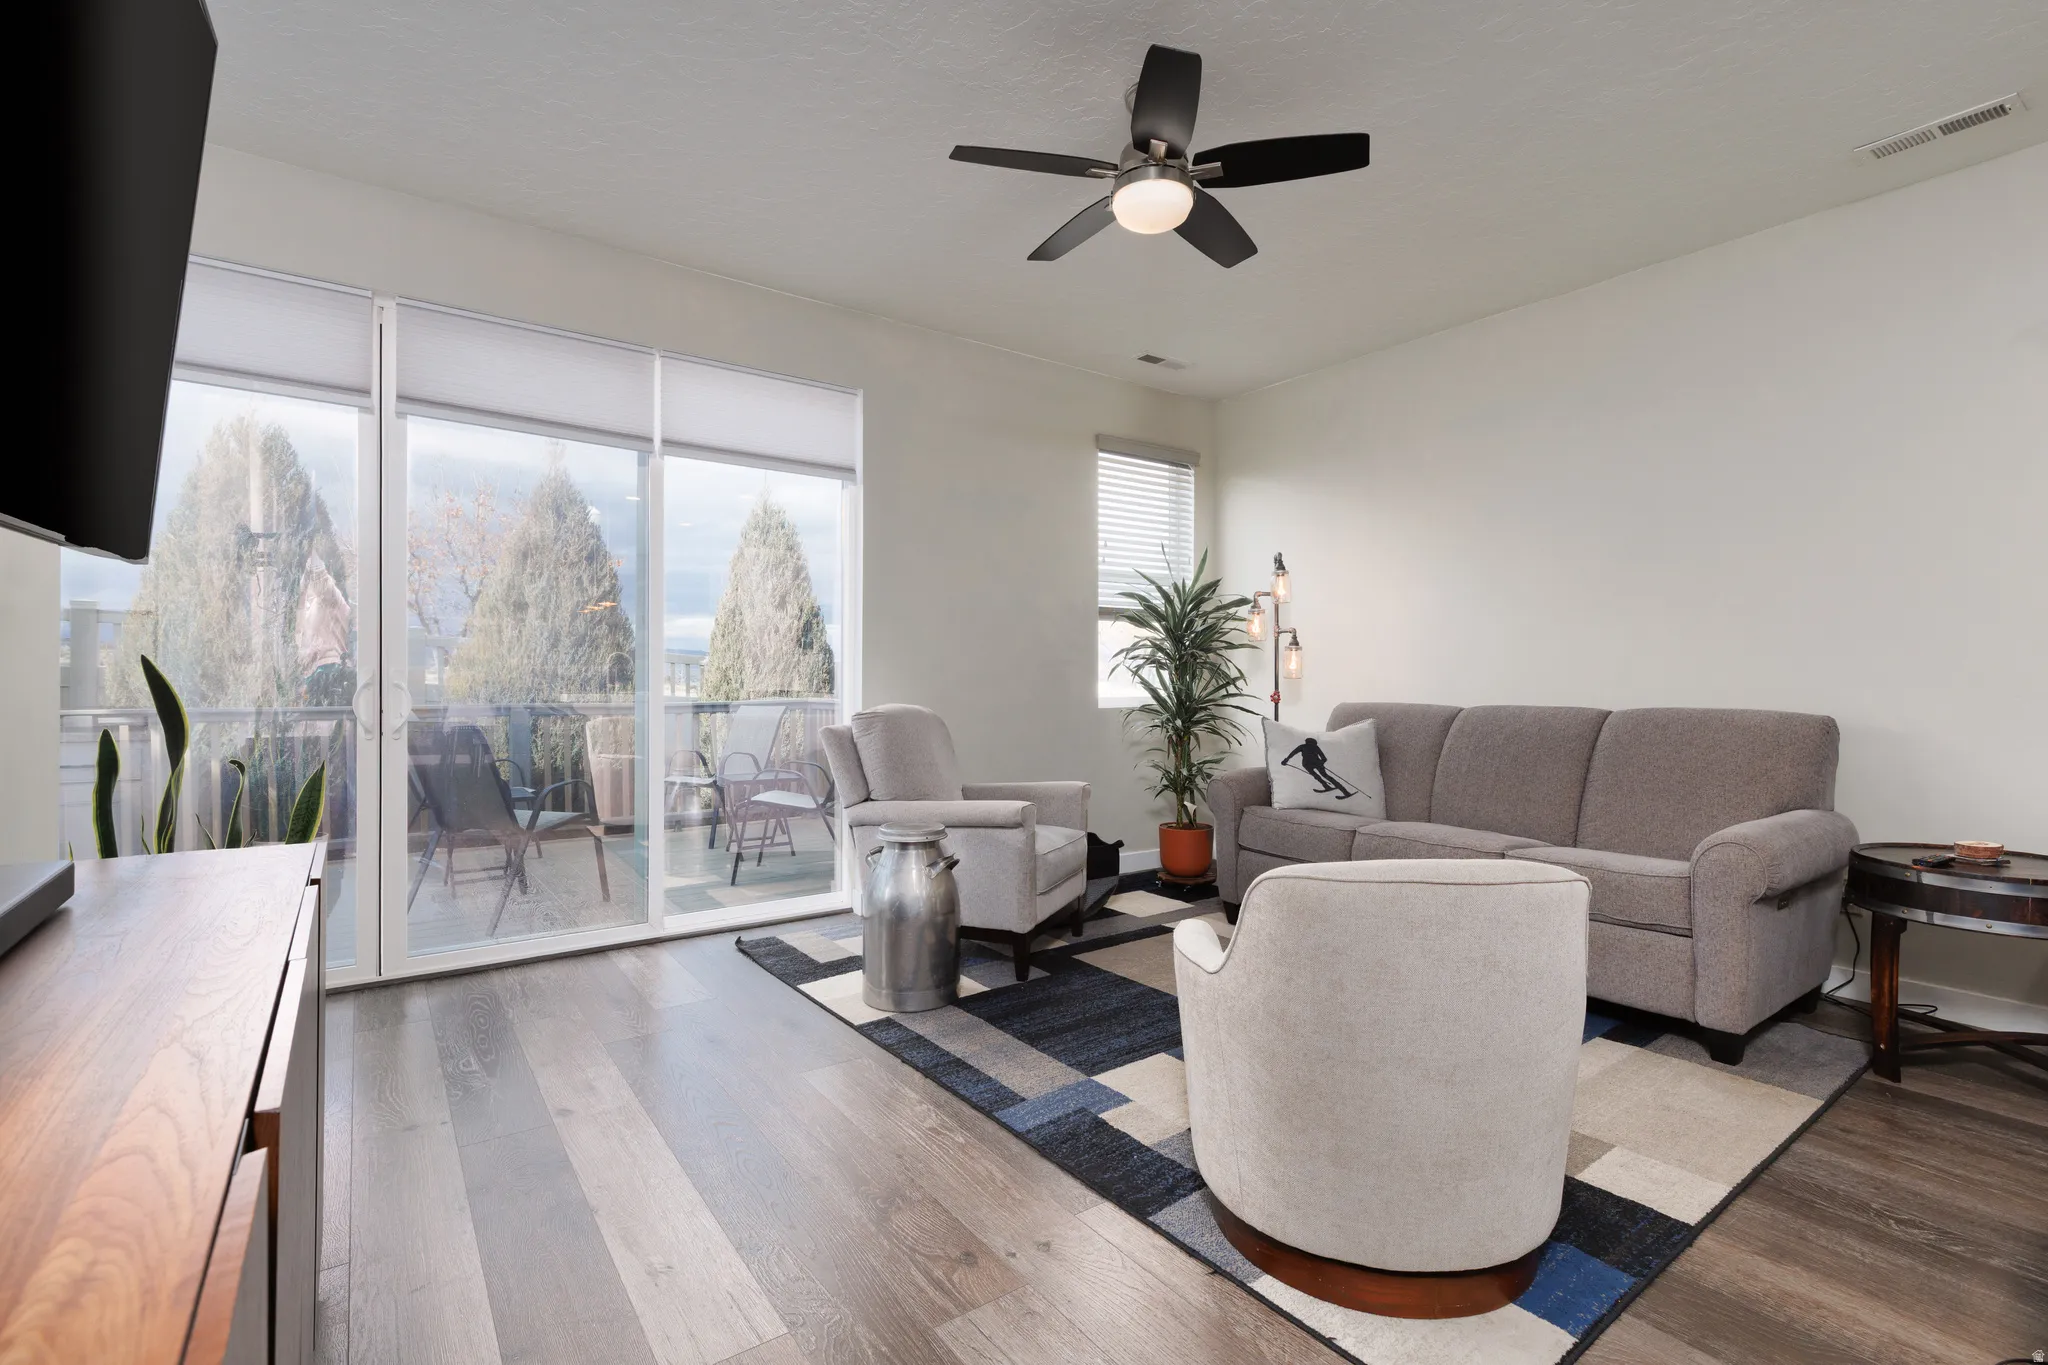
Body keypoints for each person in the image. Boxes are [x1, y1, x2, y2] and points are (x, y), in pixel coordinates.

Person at [1280, 736, 1357, 798]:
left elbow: (1292, 753)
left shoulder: (1304, 746)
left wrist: (1286, 760)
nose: (1310, 745)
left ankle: (1337, 789)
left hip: (1310, 764)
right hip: (1312, 764)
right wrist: (1321, 762)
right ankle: (1341, 791)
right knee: (1322, 776)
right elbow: (1324, 758)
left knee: (1319, 776)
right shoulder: (1312, 747)